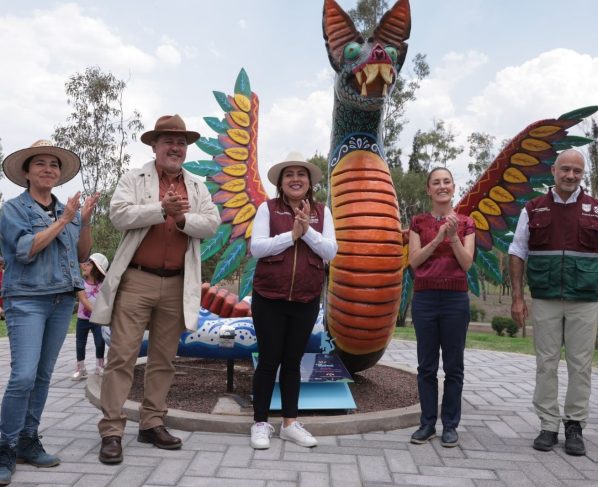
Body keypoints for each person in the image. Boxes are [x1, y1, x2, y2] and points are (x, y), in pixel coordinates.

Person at [91, 114, 220, 465]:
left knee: (164, 359)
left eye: (181, 142)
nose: (175, 147)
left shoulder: (197, 185)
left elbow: (211, 223)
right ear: (154, 145)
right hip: (136, 279)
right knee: (122, 356)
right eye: (168, 141)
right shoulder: (134, 178)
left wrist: (180, 219)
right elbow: (118, 215)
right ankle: (112, 430)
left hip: (178, 283)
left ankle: (151, 422)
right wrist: (160, 208)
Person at [0, 140, 99, 485]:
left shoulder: (65, 210)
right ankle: (5, 446)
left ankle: (28, 439)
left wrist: (82, 222)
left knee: (42, 376)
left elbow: (82, 253)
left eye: (54, 165)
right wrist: (65, 220)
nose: (48, 169)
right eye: (39, 163)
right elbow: (26, 250)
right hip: (26, 300)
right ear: (26, 173)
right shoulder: (13, 209)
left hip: (60, 302)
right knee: (23, 376)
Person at [508, 149, 597, 456]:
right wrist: (518, 298)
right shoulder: (532, 209)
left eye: (577, 171)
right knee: (545, 364)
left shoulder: (595, 209)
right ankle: (548, 425)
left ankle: (574, 425)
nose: (571, 175)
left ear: (582, 174)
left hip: (585, 300)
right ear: (554, 171)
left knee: (581, 366)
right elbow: (517, 252)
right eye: (565, 170)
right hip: (545, 299)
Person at [249, 151, 338, 450]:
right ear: (281, 182)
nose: (296, 179)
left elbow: (330, 251)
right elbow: (257, 247)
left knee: (292, 363)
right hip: (268, 298)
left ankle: (289, 423)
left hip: (305, 299)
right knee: (268, 361)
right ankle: (260, 423)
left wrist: (307, 231)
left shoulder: (323, 213)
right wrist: (291, 235)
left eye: (301, 174)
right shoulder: (267, 209)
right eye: (290, 175)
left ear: (309, 182)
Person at [408, 167, 475, 448]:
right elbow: (414, 261)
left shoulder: (466, 221)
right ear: (428, 189)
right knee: (426, 366)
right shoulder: (418, 222)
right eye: (436, 182)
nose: (442, 186)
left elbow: (466, 263)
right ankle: (427, 424)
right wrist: (437, 238)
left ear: (453, 186)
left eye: (446, 181)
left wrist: (454, 236)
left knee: (453, 366)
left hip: (454, 301)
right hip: (424, 299)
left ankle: (450, 425)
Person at [71, 252, 109, 381]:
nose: (84, 266)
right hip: (83, 319)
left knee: (100, 342)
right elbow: (83, 300)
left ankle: (100, 366)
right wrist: (98, 312)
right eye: (84, 264)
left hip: (98, 320)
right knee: (80, 344)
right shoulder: (81, 282)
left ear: (96, 268)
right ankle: (80, 368)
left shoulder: (103, 283)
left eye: (88, 264)